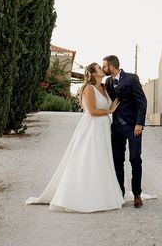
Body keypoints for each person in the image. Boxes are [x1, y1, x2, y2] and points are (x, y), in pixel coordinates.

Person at [26, 63, 124, 212]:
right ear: (91, 73)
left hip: (104, 128)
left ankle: (102, 192)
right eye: (98, 68)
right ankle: (81, 196)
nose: (101, 69)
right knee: (89, 158)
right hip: (92, 127)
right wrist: (109, 111)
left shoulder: (104, 87)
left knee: (103, 159)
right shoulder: (88, 88)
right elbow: (91, 111)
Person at [103, 55, 147, 208]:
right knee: (117, 160)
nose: (103, 69)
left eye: (105, 66)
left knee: (135, 159)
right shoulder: (108, 82)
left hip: (133, 127)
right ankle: (119, 193)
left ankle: (137, 194)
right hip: (116, 128)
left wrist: (139, 124)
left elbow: (142, 102)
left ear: (112, 67)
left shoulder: (132, 79)